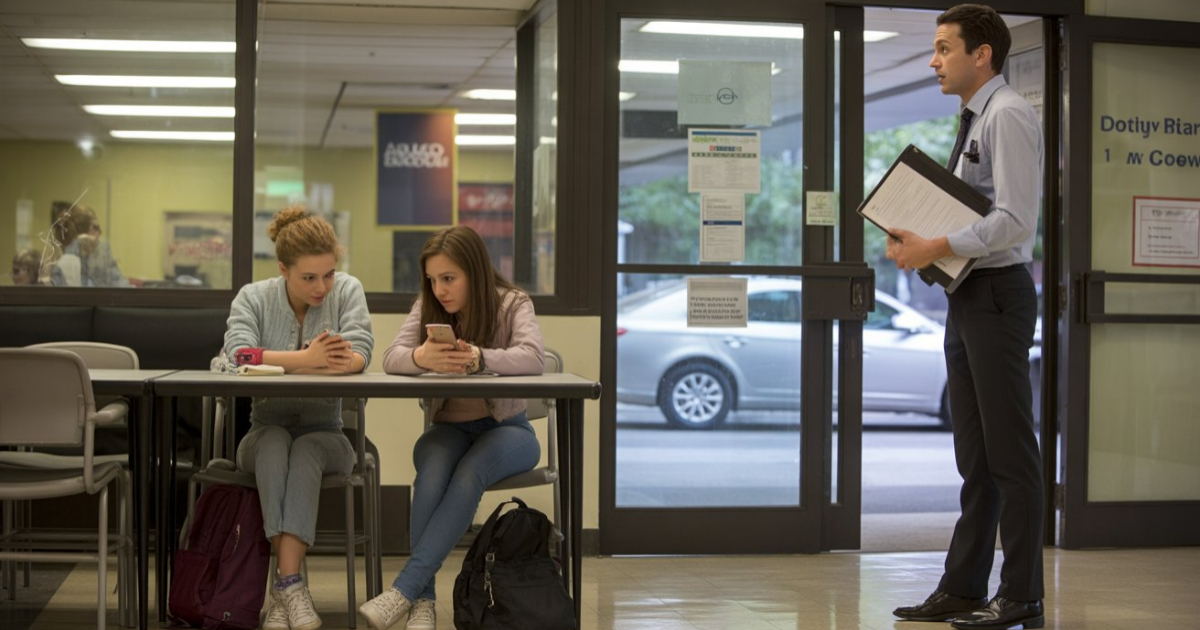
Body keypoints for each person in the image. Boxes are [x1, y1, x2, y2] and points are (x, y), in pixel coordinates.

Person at [886, 5, 1044, 630]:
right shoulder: (974, 116)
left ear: (982, 55)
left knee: (1010, 454)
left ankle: (1022, 594)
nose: (933, 60)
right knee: (975, 457)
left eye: (944, 49)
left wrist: (936, 246)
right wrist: (920, 238)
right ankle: (963, 587)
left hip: (999, 294)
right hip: (969, 296)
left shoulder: (1007, 115)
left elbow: (1014, 221)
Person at [358, 225, 544, 630]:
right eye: (431, 279)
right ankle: (423, 602)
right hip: (448, 431)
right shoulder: (427, 306)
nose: (439, 289)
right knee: (430, 477)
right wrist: (422, 357)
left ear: (474, 272)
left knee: (468, 475)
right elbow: (392, 357)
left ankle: (404, 591)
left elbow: (533, 358)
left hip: (508, 432)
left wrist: (481, 358)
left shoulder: (513, 303)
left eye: (448, 278)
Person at [223, 206, 373, 630]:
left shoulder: (348, 291)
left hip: (328, 435)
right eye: (309, 277)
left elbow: (358, 355)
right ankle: (292, 588)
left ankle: (285, 586)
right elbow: (235, 357)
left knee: (304, 447)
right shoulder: (253, 297)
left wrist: (273, 363)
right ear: (283, 269)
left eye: (328, 274)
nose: (322, 287)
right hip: (261, 431)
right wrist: (308, 359)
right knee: (274, 441)